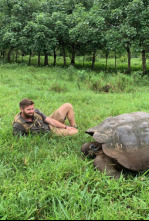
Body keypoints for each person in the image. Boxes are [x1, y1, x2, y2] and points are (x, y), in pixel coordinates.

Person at [13, 98, 78, 136]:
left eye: (32, 108)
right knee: (75, 132)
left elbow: (50, 120)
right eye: (29, 110)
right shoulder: (18, 125)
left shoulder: (35, 111)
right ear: (21, 109)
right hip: (49, 131)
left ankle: (73, 126)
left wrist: (66, 127)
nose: (31, 111)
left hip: (48, 124)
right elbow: (19, 140)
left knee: (68, 105)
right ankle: (72, 129)